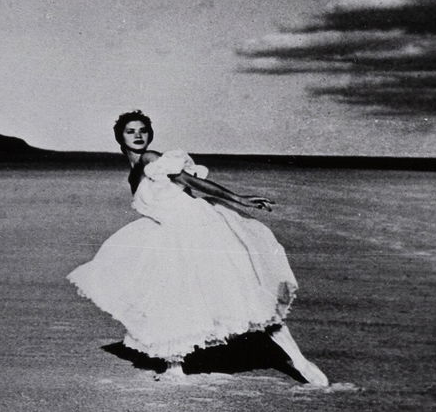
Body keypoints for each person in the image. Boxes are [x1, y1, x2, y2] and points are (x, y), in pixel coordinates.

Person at [68, 111, 328, 385]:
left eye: (142, 130)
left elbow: (190, 182)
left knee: (240, 294)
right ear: (120, 137)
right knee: (172, 295)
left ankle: (298, 361)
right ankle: (174, 365)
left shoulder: (151, 159)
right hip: (170, 233)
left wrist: (238, 198)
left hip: (199, 229)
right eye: (130, 131)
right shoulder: (134, 171)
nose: (138, 135)